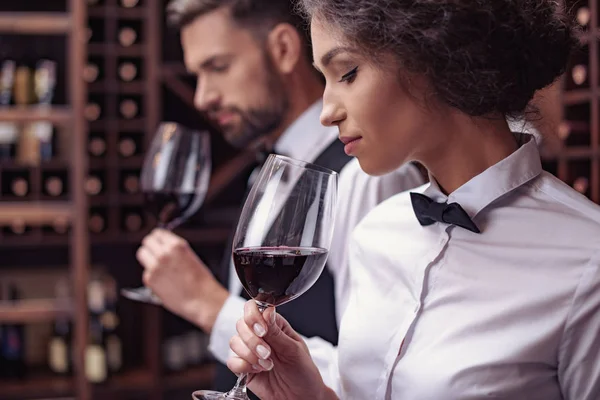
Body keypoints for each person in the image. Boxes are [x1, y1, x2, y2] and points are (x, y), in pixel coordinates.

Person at [227, 1, 600, 399]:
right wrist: (314, 395)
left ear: (435, 54)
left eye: (347, 74)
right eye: (325, 79)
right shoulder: (375, 233)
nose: (327, 112)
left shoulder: (587, 261)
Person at [135, 0, 426, 394]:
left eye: (218, 68)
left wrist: (208, 306)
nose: (203, 97)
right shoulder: (267, 170)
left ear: (284, 50)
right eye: (197, 75)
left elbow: (373, 377)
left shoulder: (365, 176)